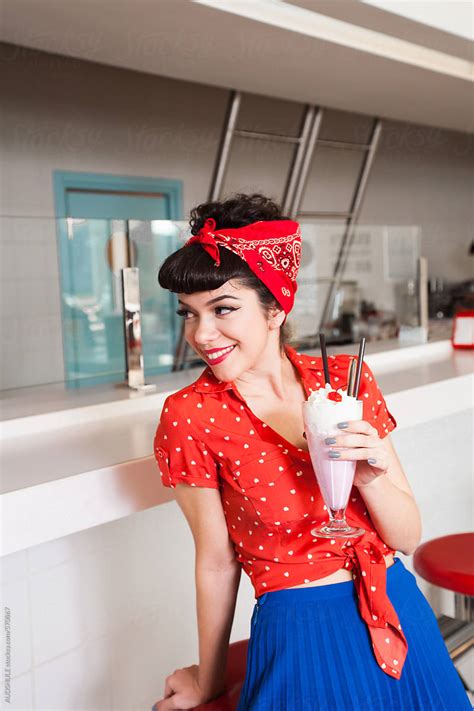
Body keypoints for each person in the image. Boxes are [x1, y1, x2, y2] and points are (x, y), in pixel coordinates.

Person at [151, 193, 471, 711]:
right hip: (300, 631)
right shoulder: (191, 414)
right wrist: (208, 681)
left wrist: (371, 475)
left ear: (276, 308)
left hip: (397, 606)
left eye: (223, 309)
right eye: (189, 314)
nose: (201, 334)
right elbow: (215, 562)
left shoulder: (346, 379)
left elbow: (407, 537)